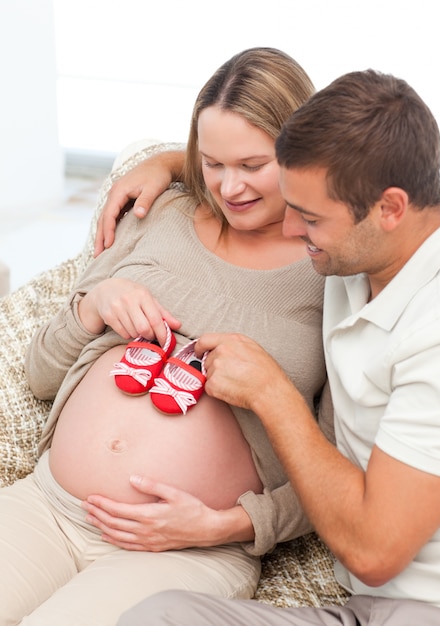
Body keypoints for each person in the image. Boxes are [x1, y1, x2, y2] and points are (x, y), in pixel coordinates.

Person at [116, 70, 440, 624]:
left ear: (390, 208)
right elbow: (253, 158)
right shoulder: (368, 242)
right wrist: (169, 163)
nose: (291, 229)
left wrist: (272, 394)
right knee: (157, 617)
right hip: (361, 609)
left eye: (311, 217)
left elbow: (375, 552)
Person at [0, 48, 334, 626]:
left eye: (252, 165)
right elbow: (40, 373)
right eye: (211, 164)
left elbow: (341, 471)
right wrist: (94, 306)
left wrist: (232, 525)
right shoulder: (159, 212)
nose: (230, 188)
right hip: (48, 508)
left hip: (182, 551)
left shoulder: (333, 276)